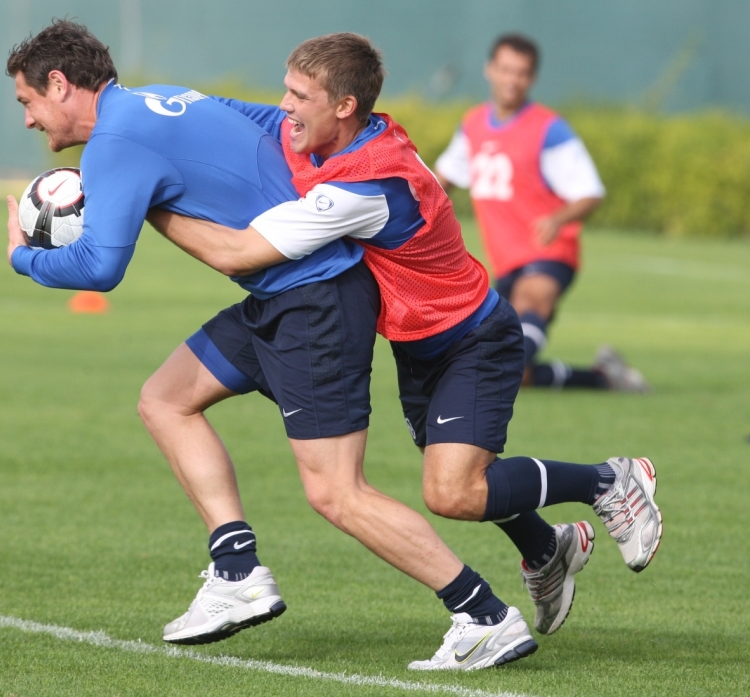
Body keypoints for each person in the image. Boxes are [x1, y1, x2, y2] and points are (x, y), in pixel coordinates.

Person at [3, 20, 531, 670]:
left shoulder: (114, 142)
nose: (27, 118)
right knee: (165, 399)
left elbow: (97, 267)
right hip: (287, 297)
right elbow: (270, 127)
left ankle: (482, 613)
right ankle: (236, 571)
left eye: (27, 100)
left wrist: (23, 258)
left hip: (313, 304)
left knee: (336, 492)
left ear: (59, 84)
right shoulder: (158, 99)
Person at [149, 33, 664, 665]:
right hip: (421, 347)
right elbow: (233, 114)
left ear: (344, 106)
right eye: (286, 89)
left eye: (299, 95)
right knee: (463, 481)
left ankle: (609, 480)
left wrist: (150, 198)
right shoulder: (334, 130)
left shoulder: (362, 190)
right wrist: (155, 111)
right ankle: (544, 549)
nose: (284, 106)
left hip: (473, 338)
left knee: (453, 492)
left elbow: (236, 252)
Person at [435, 33, 648, 392]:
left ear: (532, 78)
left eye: (521, 73)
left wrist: (557, 218)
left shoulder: (549, 129)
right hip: (506, 261)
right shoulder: (472, 125)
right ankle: (604, 378)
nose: (512, 80)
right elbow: (441, 182)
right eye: (505, 69)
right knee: (517, 375)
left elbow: (590, 192)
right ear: (490, 70)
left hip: (548, 252)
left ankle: (489, 370)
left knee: (525, 312)